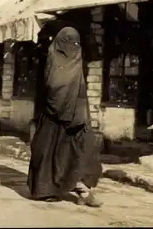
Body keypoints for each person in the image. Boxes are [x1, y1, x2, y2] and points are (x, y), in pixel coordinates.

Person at [27, 27, 103, 207]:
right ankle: (49, 190)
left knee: (83, 151)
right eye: (70, 43)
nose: (74, 47)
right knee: (51, 152)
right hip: (55, 117)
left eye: (77, 43)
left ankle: (82, 190)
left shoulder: (74, 61)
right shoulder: (52, 60)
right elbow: (50, 87)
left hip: (76, 116)